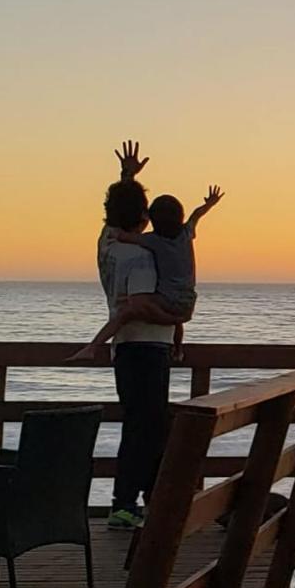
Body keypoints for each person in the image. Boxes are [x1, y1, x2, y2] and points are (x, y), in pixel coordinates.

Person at [94, 141, 172, 529]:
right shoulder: (140, 256)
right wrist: (177, 315)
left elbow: (115, 217)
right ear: (143, 217)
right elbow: (140, 305)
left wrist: (127, 177)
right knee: (147, 427)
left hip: (125, 350)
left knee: (142, 424)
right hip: (146, 346)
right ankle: (128, 503)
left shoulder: (107, 245)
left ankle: (139, 500)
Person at [71, 185, 223, 363]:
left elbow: (123, 236)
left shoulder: (152, 242)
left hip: (159, 309)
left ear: (151, 219)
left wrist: (117, 232)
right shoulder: (186, 233)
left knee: (126, 312)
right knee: (178, 322)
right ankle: (178, 351)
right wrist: (209, 204)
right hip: (187, 298)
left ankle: (93, 347)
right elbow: (196, 215)